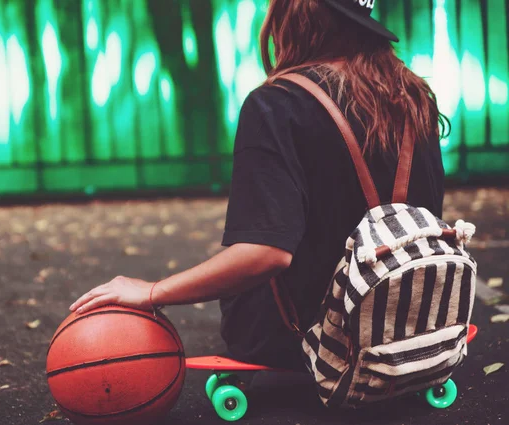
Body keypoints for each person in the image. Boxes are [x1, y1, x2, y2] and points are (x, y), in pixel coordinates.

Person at [69, 0, 449, 373]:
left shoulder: (277, 104)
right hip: (411, 324)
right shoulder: (412, 95)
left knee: (241, 298)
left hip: (309, 337)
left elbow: (265, 254)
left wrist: (151, 291)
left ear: (292, 12)